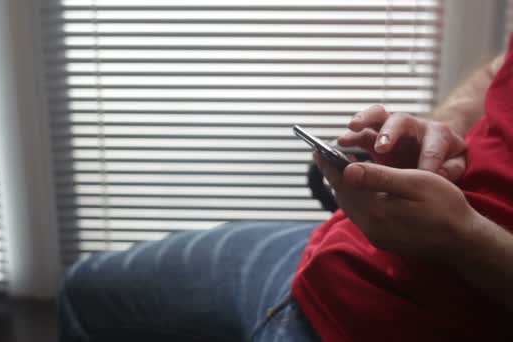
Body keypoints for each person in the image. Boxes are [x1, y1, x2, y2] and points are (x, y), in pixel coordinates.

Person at [59, 39, 513, 341]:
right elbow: (500, 66)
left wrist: (466, 239)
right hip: (325, 252)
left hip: (362, 326)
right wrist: (443, 131)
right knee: (84, 290)